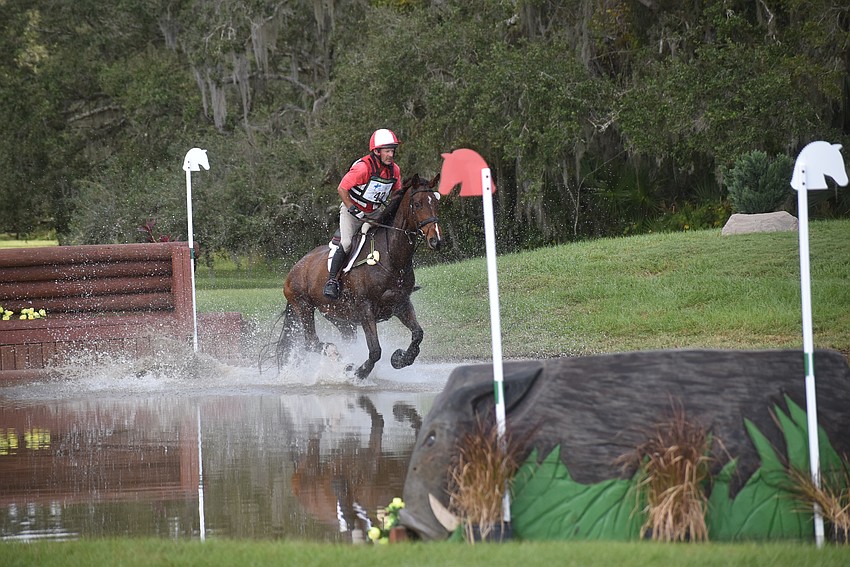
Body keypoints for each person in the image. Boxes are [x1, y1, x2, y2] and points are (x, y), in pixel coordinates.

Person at [323, 128, 403, 300]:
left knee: (388, 241)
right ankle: (332, 281)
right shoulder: (362, 168)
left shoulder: (394, 170)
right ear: (376, 151)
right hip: (352, 212)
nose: (391, 154)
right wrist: (352, 208)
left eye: (392, 151)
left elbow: (397, 192)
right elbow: (342, 188)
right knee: (346, 244)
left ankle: (399, 281)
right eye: (387, 151)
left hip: (374, 213)